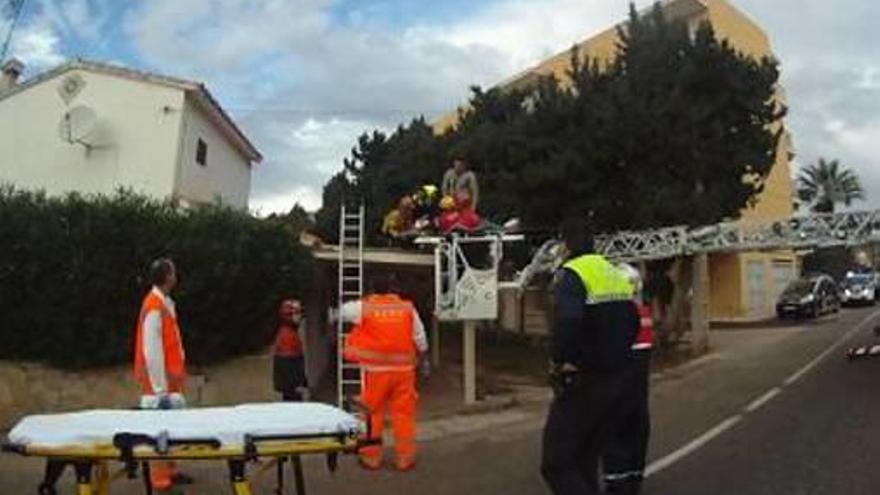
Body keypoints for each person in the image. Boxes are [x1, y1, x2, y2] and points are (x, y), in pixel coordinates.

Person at [540, 220, 639, 495]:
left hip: (586, 381)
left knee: (556, 463)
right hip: (619, 380)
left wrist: (560, 359)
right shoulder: (612, 272)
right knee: (585, 459)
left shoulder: (573, 274)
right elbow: (633, 321)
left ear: (566, 244)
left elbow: (567, 323)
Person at [341, 274, 428, 472]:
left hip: (376, 372)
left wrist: (361, 303)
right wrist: (423, 356)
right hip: (404, 371)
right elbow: (420, 336)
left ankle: (371, 458)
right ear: (393, 288)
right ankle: (405, 458)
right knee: (404, 415)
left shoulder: (365, 307)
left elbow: (343, 312)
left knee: (373, 414)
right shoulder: (407, 307)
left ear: (372, 289)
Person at [133, 258, 193, 493]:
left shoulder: (164, 302)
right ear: (168, 277)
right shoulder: (154, 305)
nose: (176, 275)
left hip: (170, 381)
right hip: (160, 385)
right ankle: (161, 482)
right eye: (174, 271)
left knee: (171, 430)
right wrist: (160, 390)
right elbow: (152, 350)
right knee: (160, 430)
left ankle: (171, 471)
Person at [602, 263, 654, 495]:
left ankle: (618, 485)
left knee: (615, 438)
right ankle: (633, 482)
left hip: (618, 390)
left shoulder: (621, 316)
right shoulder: (643, 312)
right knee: (637, 435)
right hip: (639, 395)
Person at [272, 299, 309, 402]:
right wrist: (298, 384)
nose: (300, 316)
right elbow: (289, 363)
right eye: (297, 313)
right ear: (288, 316)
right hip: (292, 386)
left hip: (291, 385)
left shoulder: (290, 332)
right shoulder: (287, 335)